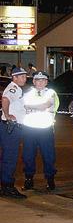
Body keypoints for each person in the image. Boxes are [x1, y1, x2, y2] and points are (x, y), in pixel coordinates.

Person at [22, 71, 59, 191]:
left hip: (45, 128)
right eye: (38, 80)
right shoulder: (27, 93)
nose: (40, 82)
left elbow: (45, 105)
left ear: (46, 82)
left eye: (43, 80)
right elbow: (25, 105)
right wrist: (37, 106)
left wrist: (31, 107)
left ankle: (50, 179)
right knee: (28, 156)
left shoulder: (51, 93)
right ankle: (28, 179)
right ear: (33, 81)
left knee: (48, 156)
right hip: (29, 128)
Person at [0, 67, 28, 198]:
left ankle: (5, 185)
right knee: (10, 157)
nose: (24, 78)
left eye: (24, 76)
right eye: (21, 76)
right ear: (14, 77)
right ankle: (7, 187)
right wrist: (7, 115)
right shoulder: (14, 88)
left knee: (7, 157)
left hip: (10, 126)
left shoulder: (17, 88)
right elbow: (5, 99)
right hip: (11, 127)